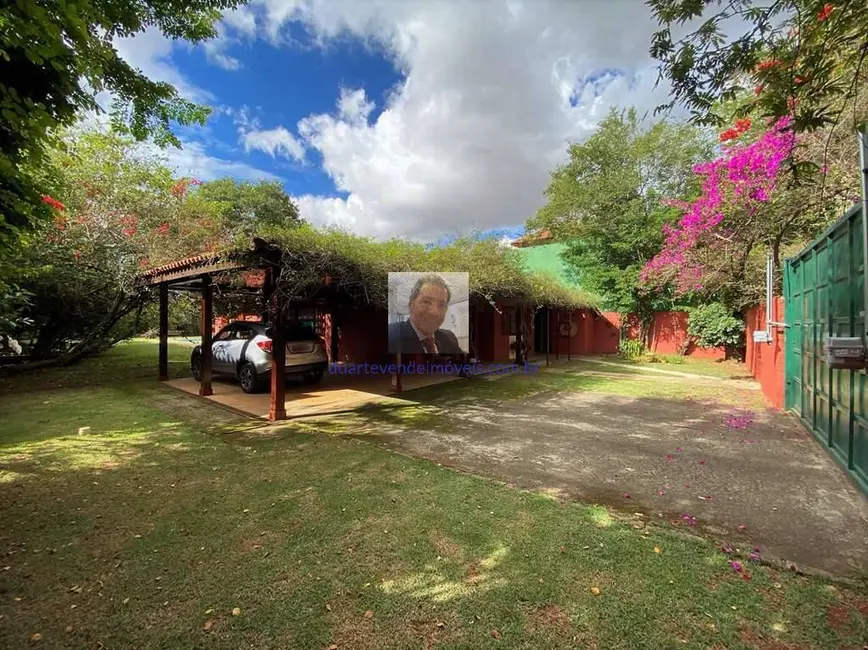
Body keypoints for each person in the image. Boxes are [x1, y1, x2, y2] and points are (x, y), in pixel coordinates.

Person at [388, 274, 464, 354]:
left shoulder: (449, 338)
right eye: (426, 302)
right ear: (411, 305)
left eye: (441, 305)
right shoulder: (390, 335)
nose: (434, 313)